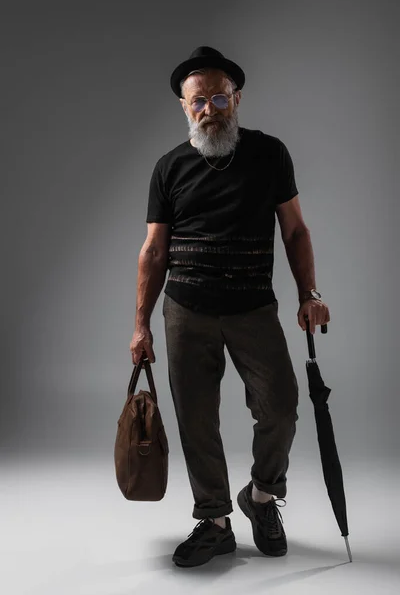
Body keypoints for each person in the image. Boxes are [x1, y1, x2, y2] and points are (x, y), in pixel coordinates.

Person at [129, 46, 330, 568]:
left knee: (281, 405)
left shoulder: (269, 154)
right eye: (199, 101)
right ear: (184, 105)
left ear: (236, 99)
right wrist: (140, 326)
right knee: (197, 417)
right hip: (186, 310)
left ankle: (261, 498)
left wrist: (309, 295)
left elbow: (296, 230)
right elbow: (153, 251)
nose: (209, 110)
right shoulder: (169, 167)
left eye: (220, 98)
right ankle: (214, 519)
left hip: (252, 308)